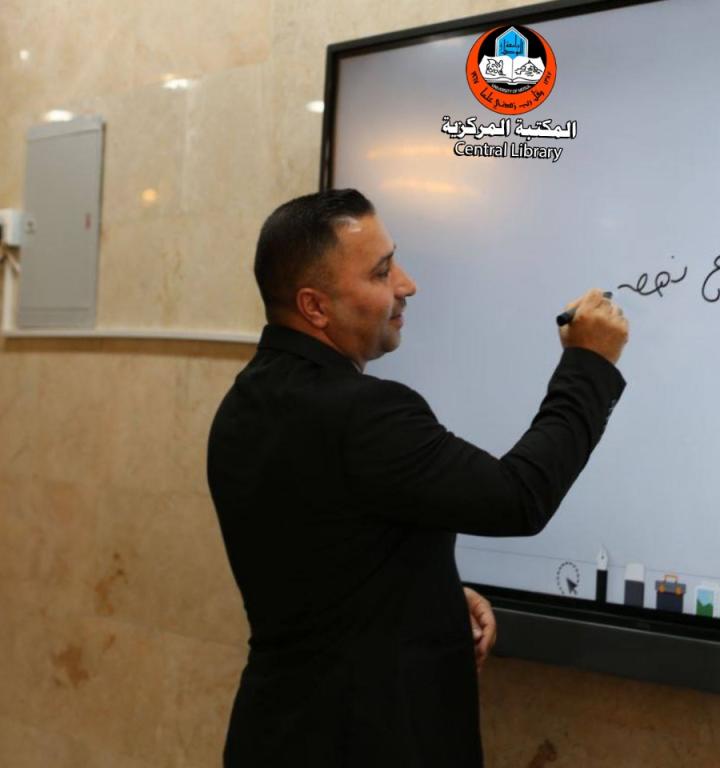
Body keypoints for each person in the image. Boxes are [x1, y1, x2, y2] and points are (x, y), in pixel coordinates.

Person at [207, 189, 629, 767]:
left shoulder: (244, 402)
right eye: (381, 272)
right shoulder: (364, 413)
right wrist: (589, 364)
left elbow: (319, 554)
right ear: (314, 306)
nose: (407, 285)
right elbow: (518, 498)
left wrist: (428, 595)